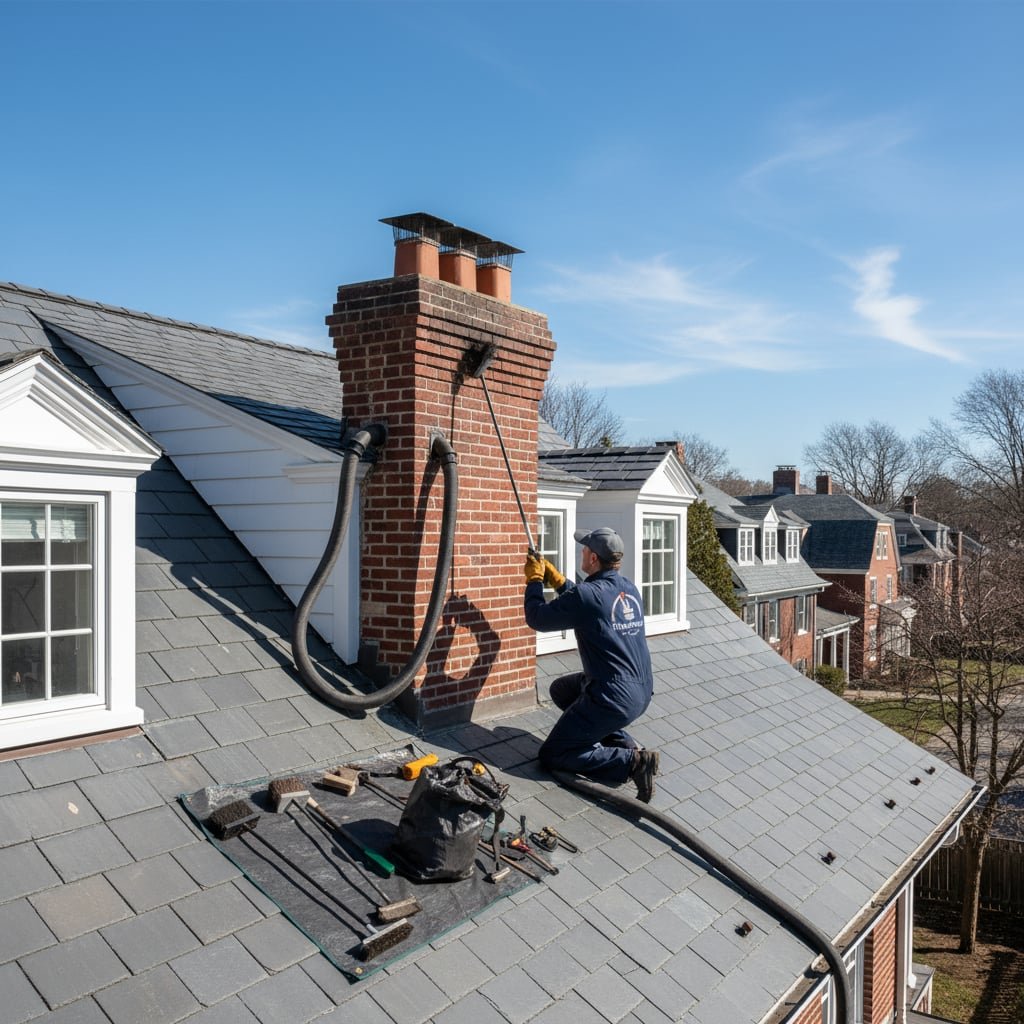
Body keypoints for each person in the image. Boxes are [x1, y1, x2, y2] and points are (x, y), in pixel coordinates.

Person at [523, 527, 660, 802]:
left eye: (585, 549)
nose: (582, 552)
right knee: (562, 690)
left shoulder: (587, 595)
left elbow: (538, 618)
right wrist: (560, 581)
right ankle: (627, 744)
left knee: (553, 754)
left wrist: (535, 581)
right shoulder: (628, 588)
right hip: (641, 691)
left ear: (594, 558)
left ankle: (631, 762)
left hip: (612, 696)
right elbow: (591, 604)